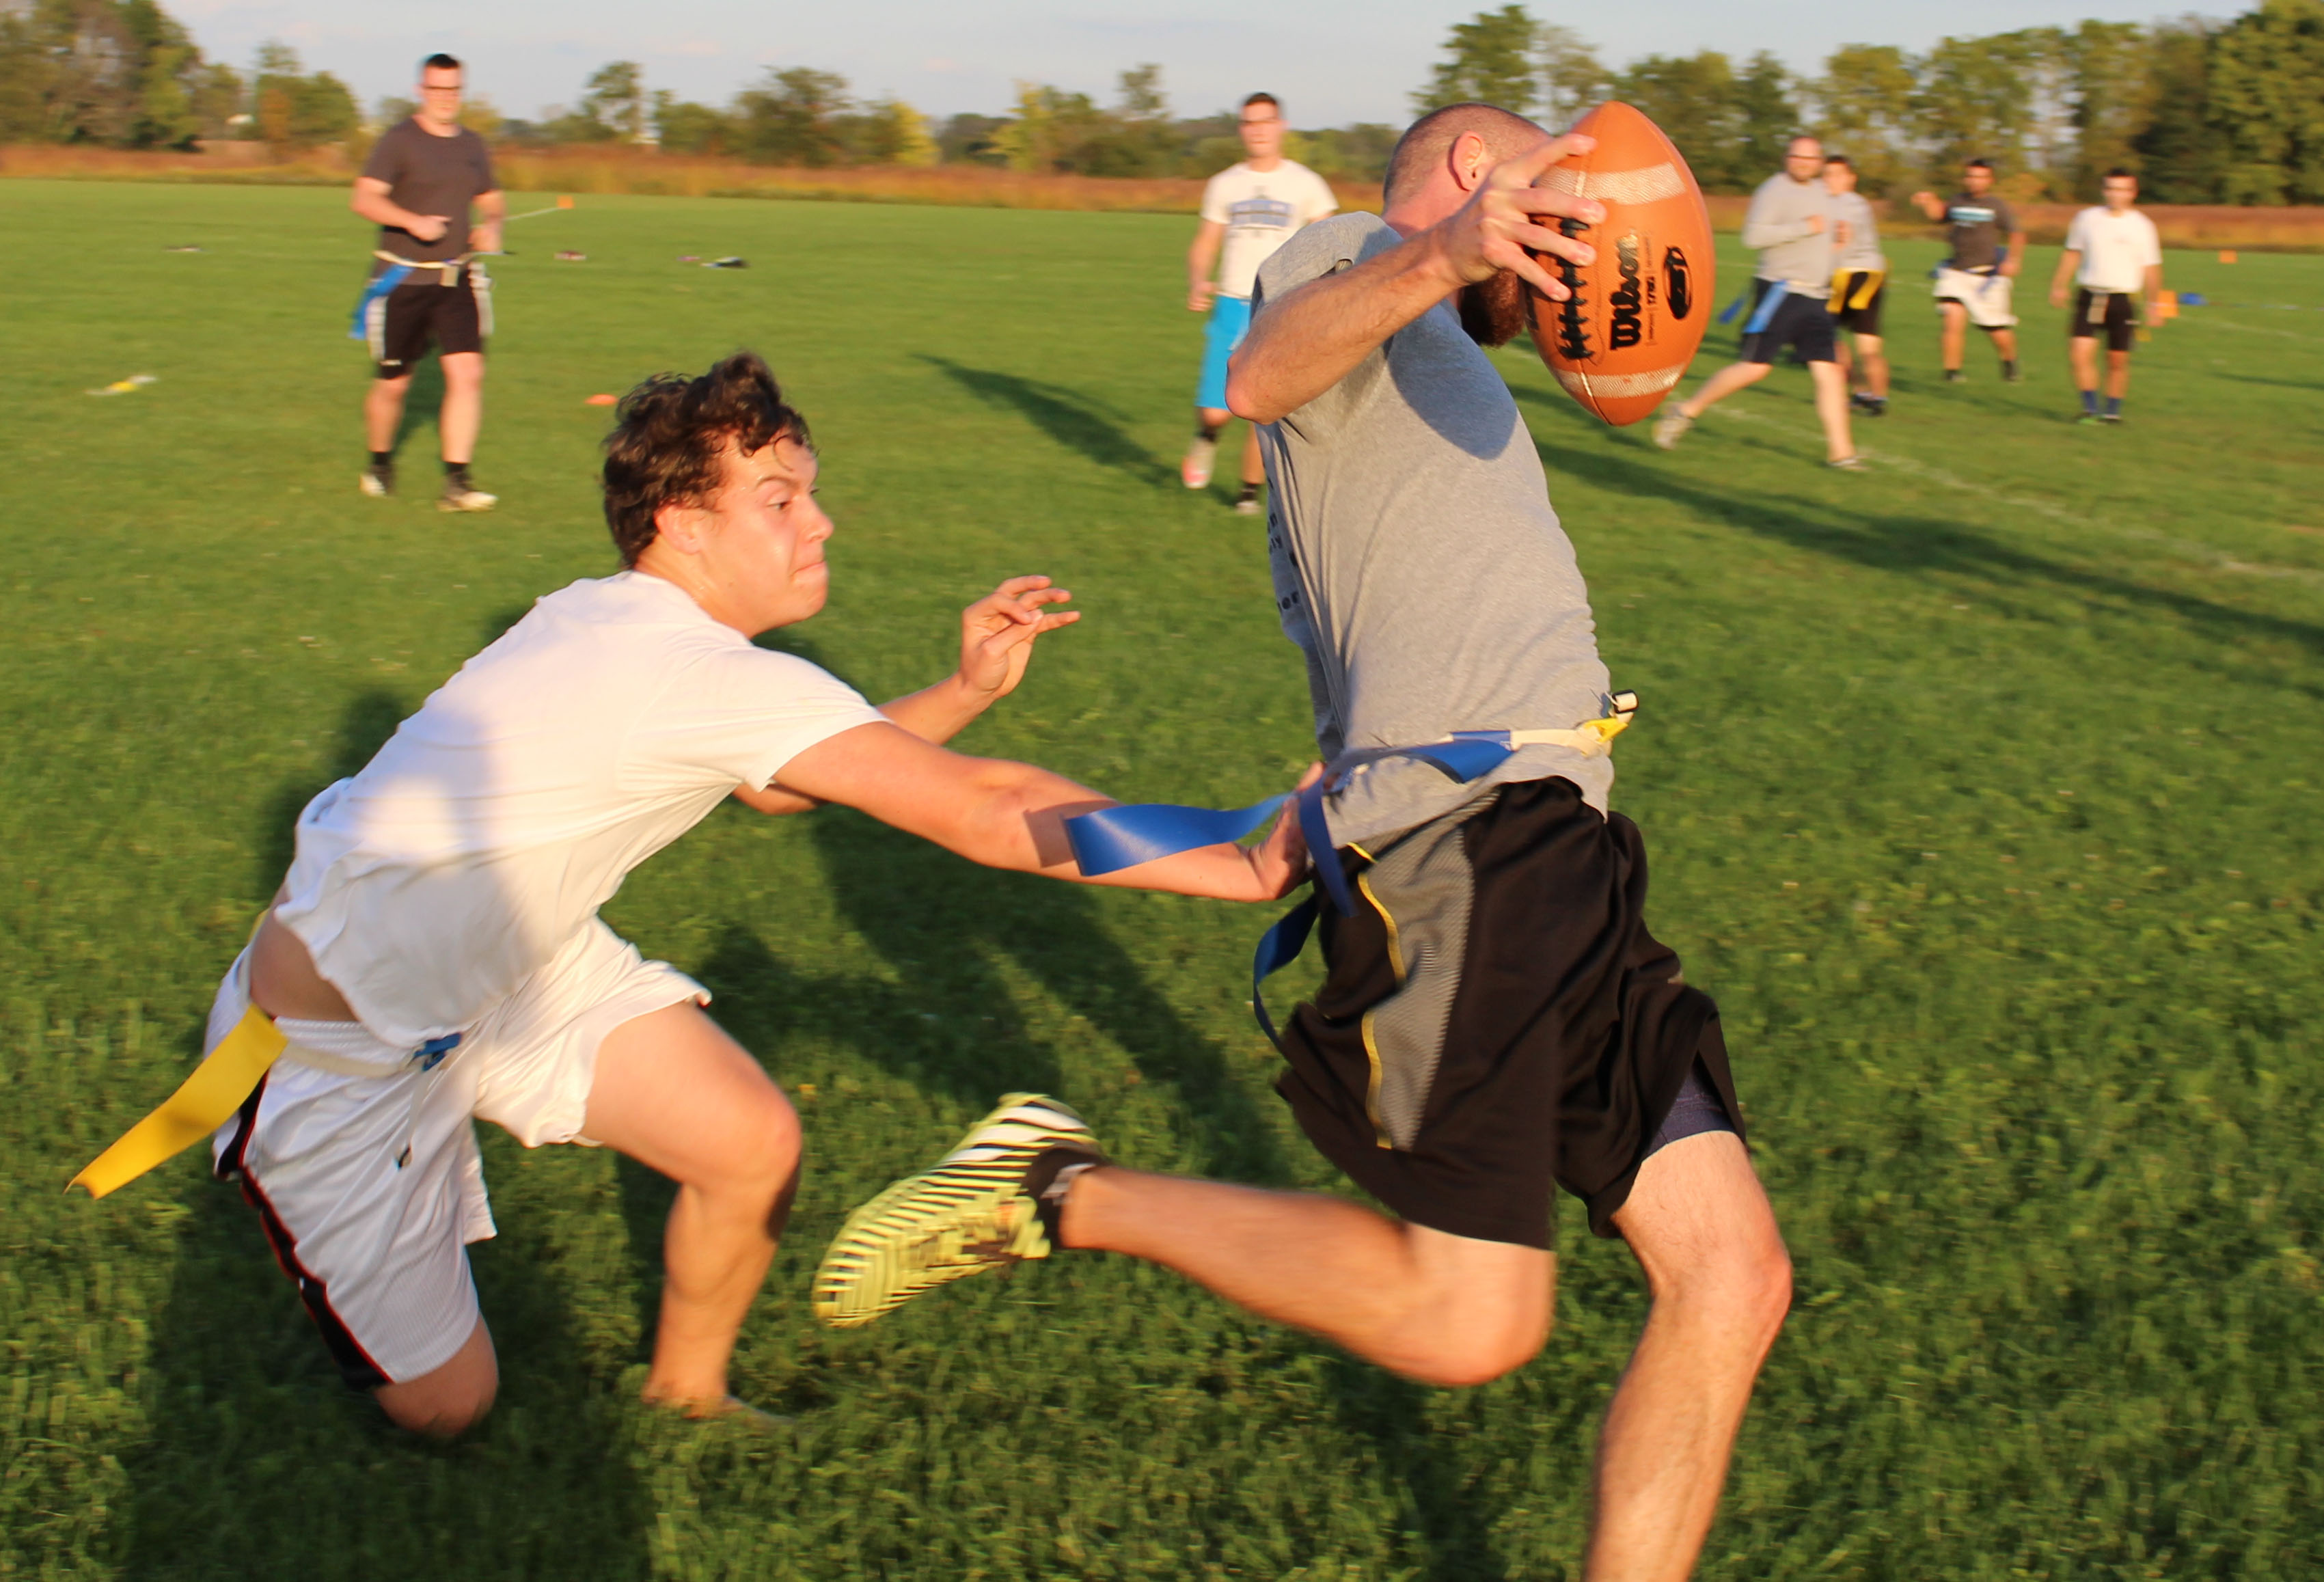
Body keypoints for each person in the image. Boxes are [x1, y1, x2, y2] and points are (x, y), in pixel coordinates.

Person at [818, 105, 1792, 1582]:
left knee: (1731, 1274)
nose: (1567, 229)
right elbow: (1259, 372)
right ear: (1469, 175)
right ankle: (1058, 1186)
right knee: (1471, 1317)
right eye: (1542, 187)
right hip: (1476, 851)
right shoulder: (1354, 255)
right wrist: (1442, 254)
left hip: (1562, 845)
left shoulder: (1434, 349)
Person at [71, 351, 1303, 1438]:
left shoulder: (624, 623)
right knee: (449, 1411)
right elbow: (986, 810)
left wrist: (964, 690)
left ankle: (688, 1399)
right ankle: (285, 1182)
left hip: (513, 964)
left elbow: (773, 786)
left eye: (809, 492)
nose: (820, 521)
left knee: (746, 1139)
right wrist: (1242, 859)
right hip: (328, 1050)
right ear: (683, 523)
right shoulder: (683, 667)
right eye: (780, 500)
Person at [351, 53, 504, 511]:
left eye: (453, 89)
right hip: (403, 280)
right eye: (436, 89)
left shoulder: (472, 145)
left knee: (468, 374)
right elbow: (364, 199)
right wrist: (412, 222)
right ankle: (379, 463)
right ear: (421, 90)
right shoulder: (399, 140)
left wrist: (492, 224)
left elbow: (491, 199)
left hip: (458, 278)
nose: (445, 98)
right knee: (394, 385)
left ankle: (457, 484)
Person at [1653, 135, 1859, 469]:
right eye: (1797, 157)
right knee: (1755, 367)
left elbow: (1820, 249)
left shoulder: (1823, 194)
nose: (1803, 163)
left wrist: (1839, 245)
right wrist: (1803, 227)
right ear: (1787, 158)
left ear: (1819, 162)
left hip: (1815, 296)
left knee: (1830, 373)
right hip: (1780, 293)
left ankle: (1842, 453)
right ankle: (1685, 410)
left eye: (1810, 158)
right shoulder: (1774, 190)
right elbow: (1753, 237)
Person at [1183, 92, 1337, 515]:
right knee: (1217, 412)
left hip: (1280, 306)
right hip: (1233, 303)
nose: (1258, 131)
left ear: (1280, 126)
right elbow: (1205, 242)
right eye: (1250, 123)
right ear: (1242, 130)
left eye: (1266, 121)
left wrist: (1324, 293)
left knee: (1261, 403)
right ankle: (1207, 436)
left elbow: (1329, 243)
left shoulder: (1306, 184)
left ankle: (1248, 493)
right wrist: (1198, 279)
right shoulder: (1225, 184)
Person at [2049, 169, 2163, 425]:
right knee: (2079, 354)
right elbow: (2073, 253)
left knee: (2117, 361)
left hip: (2123, 300)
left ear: (2133, 193)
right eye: (2111, 188)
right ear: (2104, 191)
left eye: (2122, 189)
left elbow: (2152, 268)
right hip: (2090, 296)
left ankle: (2112, 412)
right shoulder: (2087, 219)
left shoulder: (2143, 226)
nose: (2116, 194)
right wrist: (2059, 285)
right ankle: (2090, 409)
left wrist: (2154, 304)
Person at [1911, 159, 2026, 384]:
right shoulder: (1957, 201)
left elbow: (2016, 234)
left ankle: (2009, 362)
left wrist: (2013, 260)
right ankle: (1952, 373)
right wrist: (1929, 201)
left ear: (1990, 180)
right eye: (1971, 176)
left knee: (1995, 328)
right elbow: (1939, 215)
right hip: (1956, 272)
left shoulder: (1997, 206)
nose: (1975, 181)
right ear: (1965, 179)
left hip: (1986, 277)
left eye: (1981, 177)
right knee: (1952, 318)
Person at [1822, 154, 1889, 417]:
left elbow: (1843, 237)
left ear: (1851, 179)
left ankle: (1862, 391)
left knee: (1834, 339)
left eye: (1837, 175)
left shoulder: (1842, 204)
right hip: (1872, 274)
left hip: (1848, 276)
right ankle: (1875, 396)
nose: (1831, 180)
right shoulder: (1859, 203)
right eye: (1827, 174)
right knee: (1867, 346)